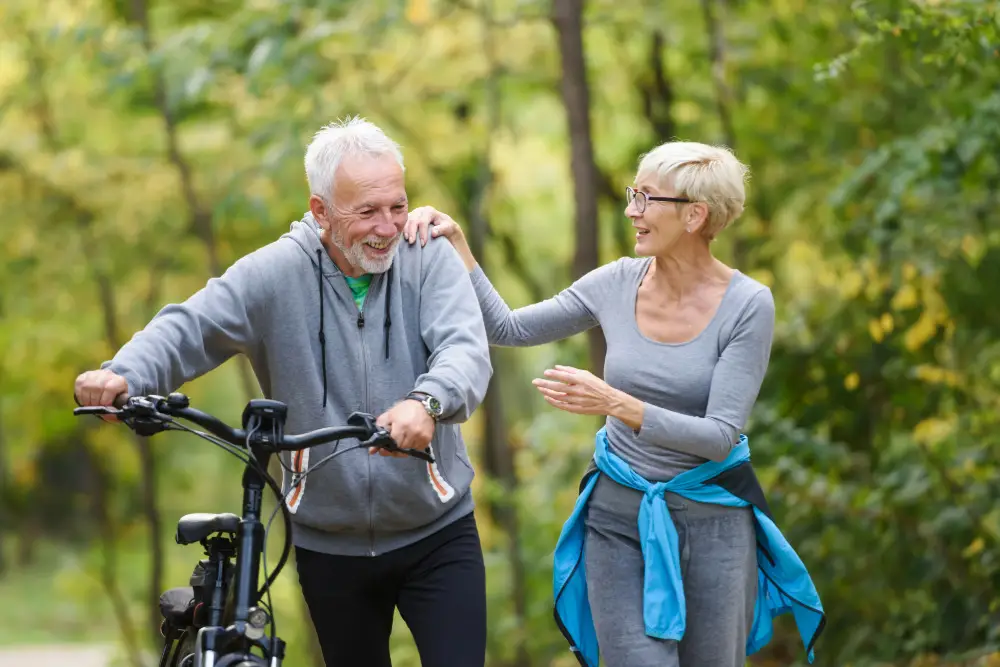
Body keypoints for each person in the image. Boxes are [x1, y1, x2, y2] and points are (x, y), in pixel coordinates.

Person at [74, 117, 493, 667]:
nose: (390, 226)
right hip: (328, 542)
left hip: (436, 531)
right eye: (367, 211)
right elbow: (191, 326)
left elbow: (466, 349)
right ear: (321, 211)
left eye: (397, 205)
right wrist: (125, 374)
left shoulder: (428, 256)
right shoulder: (277, 273)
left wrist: (427, 402)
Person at [404, 141, 825, 667]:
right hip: (617, 519)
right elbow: (507, 327)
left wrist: (618, 403)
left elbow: (720, 436)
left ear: (695, 215)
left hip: (714, 524)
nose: (631, 210)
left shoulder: (747, 305)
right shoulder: (616, 282)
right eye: (633, 195)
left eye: (646, 198)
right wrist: (458, 245)